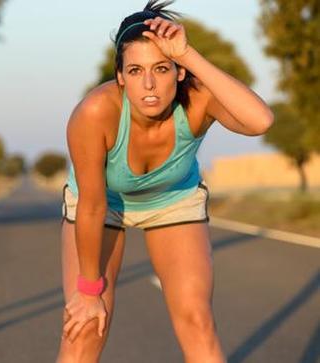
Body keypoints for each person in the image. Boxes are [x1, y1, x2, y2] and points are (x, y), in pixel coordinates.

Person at [58, 1, 273, 362]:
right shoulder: (95, 112)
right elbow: (92, 206)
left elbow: (260, 121)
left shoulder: (198, 100)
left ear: (178, 71)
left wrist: (188, 53)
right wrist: (89, 290)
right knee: (86, 327)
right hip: (102, 206)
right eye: (136, 70)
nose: (149, 84)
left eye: (161, 68)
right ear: (120, 77)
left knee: (197, 320)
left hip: (173, 203)